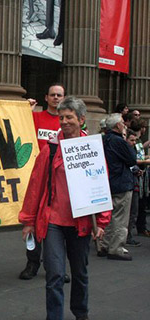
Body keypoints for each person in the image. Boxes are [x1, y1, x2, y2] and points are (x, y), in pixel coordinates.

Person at [19, 96, 110, 320]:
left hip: (81, 222)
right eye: (61, 118)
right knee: (55, 274)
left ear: (81, 119)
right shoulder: (49, 150)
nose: (64, 121)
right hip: (53, 223)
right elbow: (35, 186)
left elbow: (100, 184)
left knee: (79, 273)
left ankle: (81, 313)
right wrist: (28, 221)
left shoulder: (91, 149)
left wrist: (102, 221)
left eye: (69, 117)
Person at [19, 83, 66, 280]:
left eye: (59, 95)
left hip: (59, 182)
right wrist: (23, 109)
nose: (56, 98)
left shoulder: (67, 122)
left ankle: (55, 267)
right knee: (31, 220)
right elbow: (18, 125)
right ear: (46, 98)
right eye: (53, 95)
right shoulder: (36, 117)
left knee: (57, 225)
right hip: (36, 179)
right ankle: (32, 262)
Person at [99, 113, 137, 261]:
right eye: (122, 123)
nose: (125, 125)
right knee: (120, 218)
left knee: (108, 216)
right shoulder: (119, 141)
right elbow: (131, 159)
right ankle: (116, 248)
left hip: (109, 181)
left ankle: (104, 244)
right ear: (117, 126)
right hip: (121, 182)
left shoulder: (104, 139)